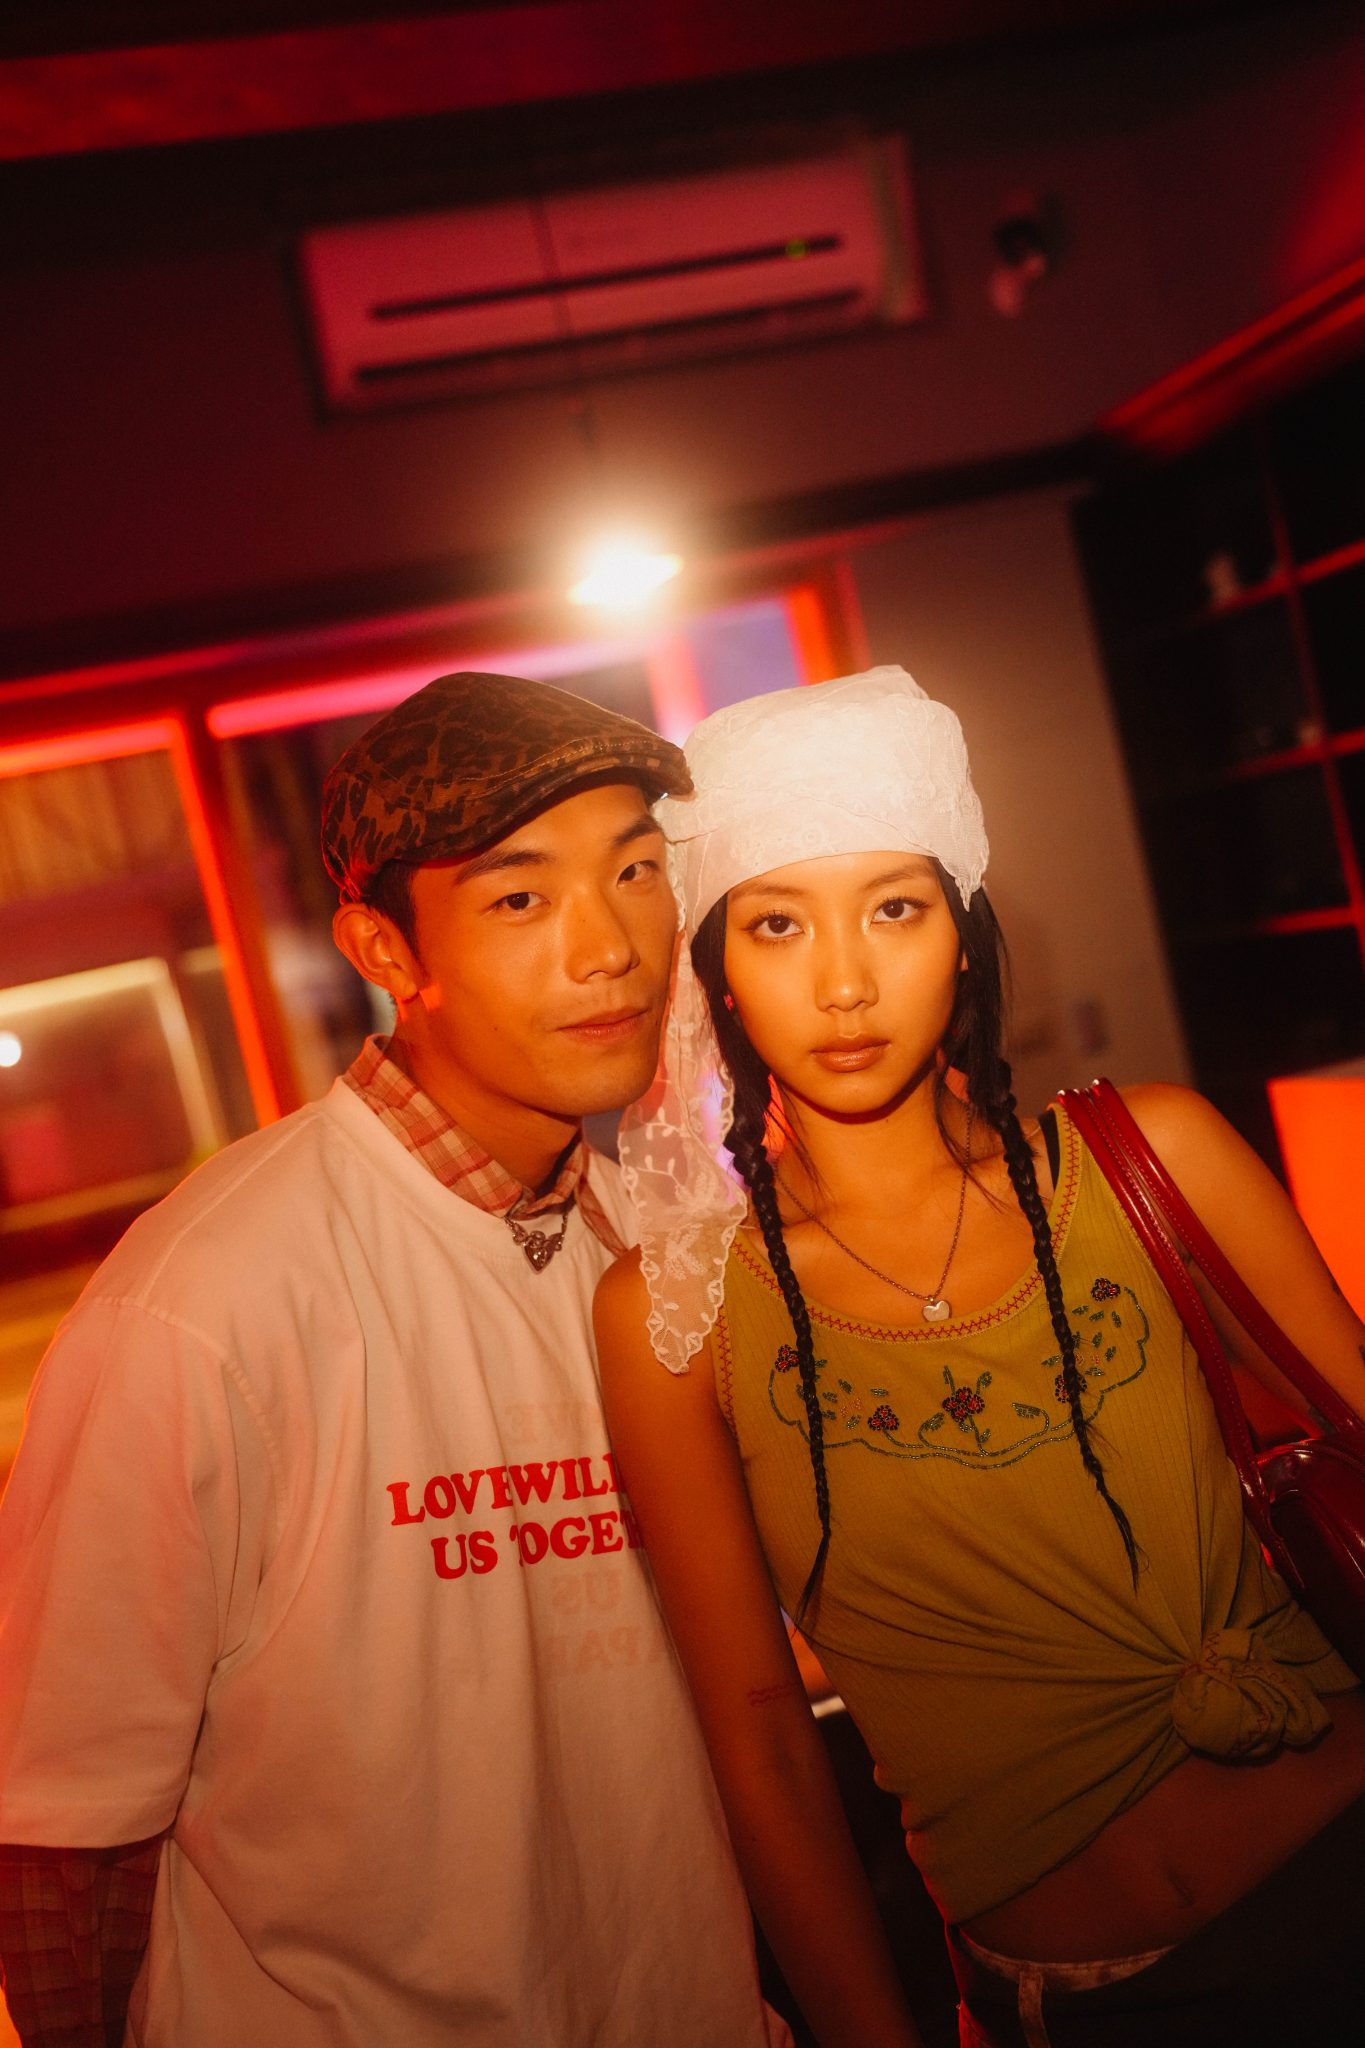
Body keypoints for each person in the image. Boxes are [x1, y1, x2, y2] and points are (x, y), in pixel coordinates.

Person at [0, 671, 793, 2048]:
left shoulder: (663, 1244)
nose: (608, 947)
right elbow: (61, 1834)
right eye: (519, 898)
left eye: (635, 872)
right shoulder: (204, 1304)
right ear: (382, 947)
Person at [594, 664, 1365, 2048]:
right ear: (718, 968)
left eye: (894, 908)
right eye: (777, 923)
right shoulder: (676, 1314)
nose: (842, 982)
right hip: (1074, 2003)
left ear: (963, 934)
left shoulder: (1148, 1156)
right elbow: (760, 1739)